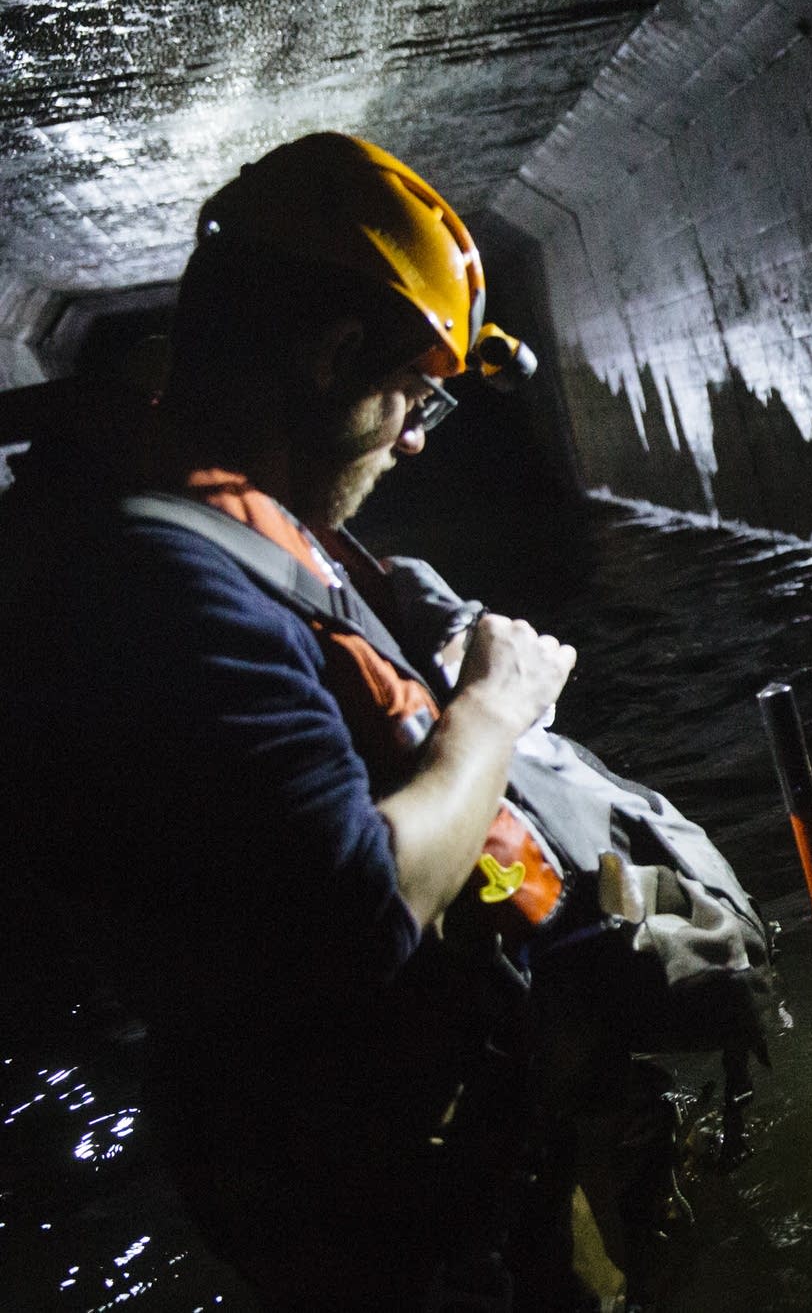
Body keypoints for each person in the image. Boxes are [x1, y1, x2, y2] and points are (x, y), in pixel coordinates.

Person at [0, 134, 771, 1307]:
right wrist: (491, 714)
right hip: (376, 1193)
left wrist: (443, 652)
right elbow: (359, 908)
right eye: (412, 395)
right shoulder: (157, 579)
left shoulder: (218, 506)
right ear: (331, 353)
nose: (413, 437)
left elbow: (323, 631)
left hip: (453, 1126)